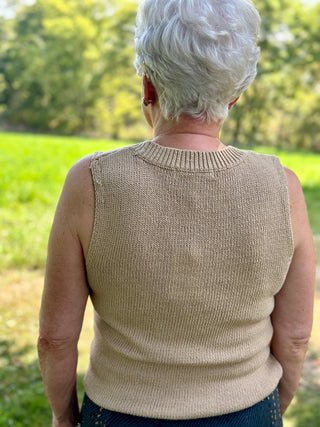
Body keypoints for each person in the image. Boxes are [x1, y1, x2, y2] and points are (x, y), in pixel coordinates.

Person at [38, 0, 316, 426]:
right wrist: (273, 406)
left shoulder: (91, 181)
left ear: (148, 86)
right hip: (249, 411)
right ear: (235, 96)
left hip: (118, 414)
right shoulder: (284, 189)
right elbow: (295, 340)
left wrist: (64, 418)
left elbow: (56, 340)